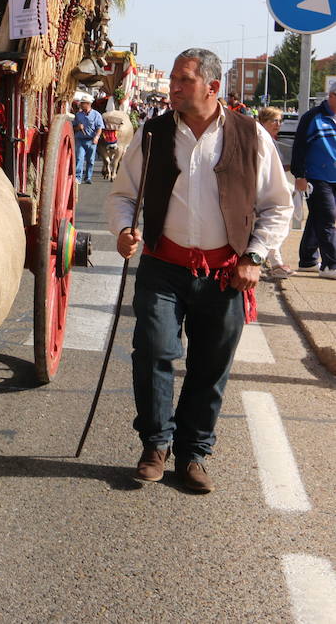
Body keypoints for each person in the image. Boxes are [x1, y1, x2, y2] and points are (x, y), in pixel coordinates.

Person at [107, 48, 291, 494]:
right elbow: (123, 195)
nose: (172, 86)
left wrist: (254, 258)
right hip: (163, 267)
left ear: (212, 87)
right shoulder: (153, 133)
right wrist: (124, 230)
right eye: (172, 78)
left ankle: (194, 454)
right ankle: (155, 445)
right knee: (153, 351)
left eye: (183, 80)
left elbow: (277, 205)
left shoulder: (251, 136)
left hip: (225, 273)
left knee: (210, 367)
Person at [291, 82, 336, 277]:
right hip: (316, 177)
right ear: (332, 95)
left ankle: (308, 260)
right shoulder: (312, 117)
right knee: (328, 217)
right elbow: (299, 148)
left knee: (318, 216)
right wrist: (299, 175)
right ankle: (330, 265)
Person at [255, 106, 296, 279]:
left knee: (275, 224)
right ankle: (275, 263)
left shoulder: (272, 139)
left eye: (280, 121)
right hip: (261, 192)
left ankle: (274, 262)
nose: (278, 124)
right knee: (270, 224)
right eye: (274, 120)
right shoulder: (259, 139)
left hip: (271, 190)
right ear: (263, 121)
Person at [73, 98, 105, 183]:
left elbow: (99, 127)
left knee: (90, 160)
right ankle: (78, 177)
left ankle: (88, 177)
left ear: (88, 104)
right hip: (80, 140)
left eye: (83, 103)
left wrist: (97, 137)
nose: (81, 105)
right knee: (79, 158)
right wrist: (78, 127)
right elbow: (73, 127)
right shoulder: (78, 115)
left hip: (91, 140)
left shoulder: (96, 115)